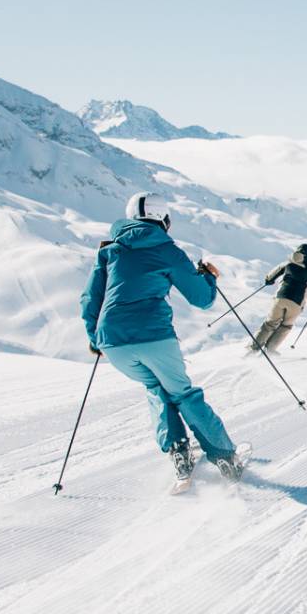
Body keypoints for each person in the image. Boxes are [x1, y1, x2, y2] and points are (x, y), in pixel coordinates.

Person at [82, 192, 249, 487]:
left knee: (156, 387)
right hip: (153, 336)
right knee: (183, 394)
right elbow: (201, 298)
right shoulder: (166, 249)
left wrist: (95, 338)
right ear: (164, 219)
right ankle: (225, 457)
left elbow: (90, 298)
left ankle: (178, 452)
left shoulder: (110, 251)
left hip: (113, 342)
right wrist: (208, 277)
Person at [248, 243, 307, 353]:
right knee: (285, 326)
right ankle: (269, 350)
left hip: (280, 298)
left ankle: (253, 349)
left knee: (269, 324)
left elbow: (270, 276)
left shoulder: (288, 263)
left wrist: (269, 281)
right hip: (296, 303)